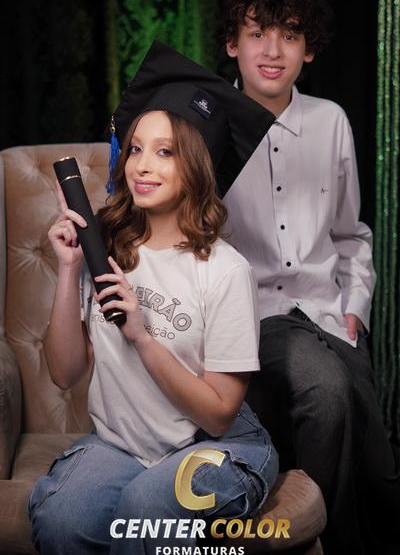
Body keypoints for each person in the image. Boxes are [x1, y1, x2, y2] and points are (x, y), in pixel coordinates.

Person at [28, 42, 278, 555]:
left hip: (214, 445)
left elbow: (219, 416)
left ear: (198, 166)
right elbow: (65, 374)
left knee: (147, 510)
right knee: (60, 521)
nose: (141, 165)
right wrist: (70, 267)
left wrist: (142, 337)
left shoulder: (226, 271)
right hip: (123, 446)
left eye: (165, 152)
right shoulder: (106, 250)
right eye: (137, 148)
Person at [221, 0, 399, 555]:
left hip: (326, 310)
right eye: (257, 34)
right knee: (326, 389)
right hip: (253, 314)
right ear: (233, 44)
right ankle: (314, 540)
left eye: (290, 35)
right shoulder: (206, 126)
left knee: (379, 464)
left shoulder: (330, 121)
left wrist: (355, 309)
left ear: (309, 49)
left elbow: (351, 234)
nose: (273, 51)